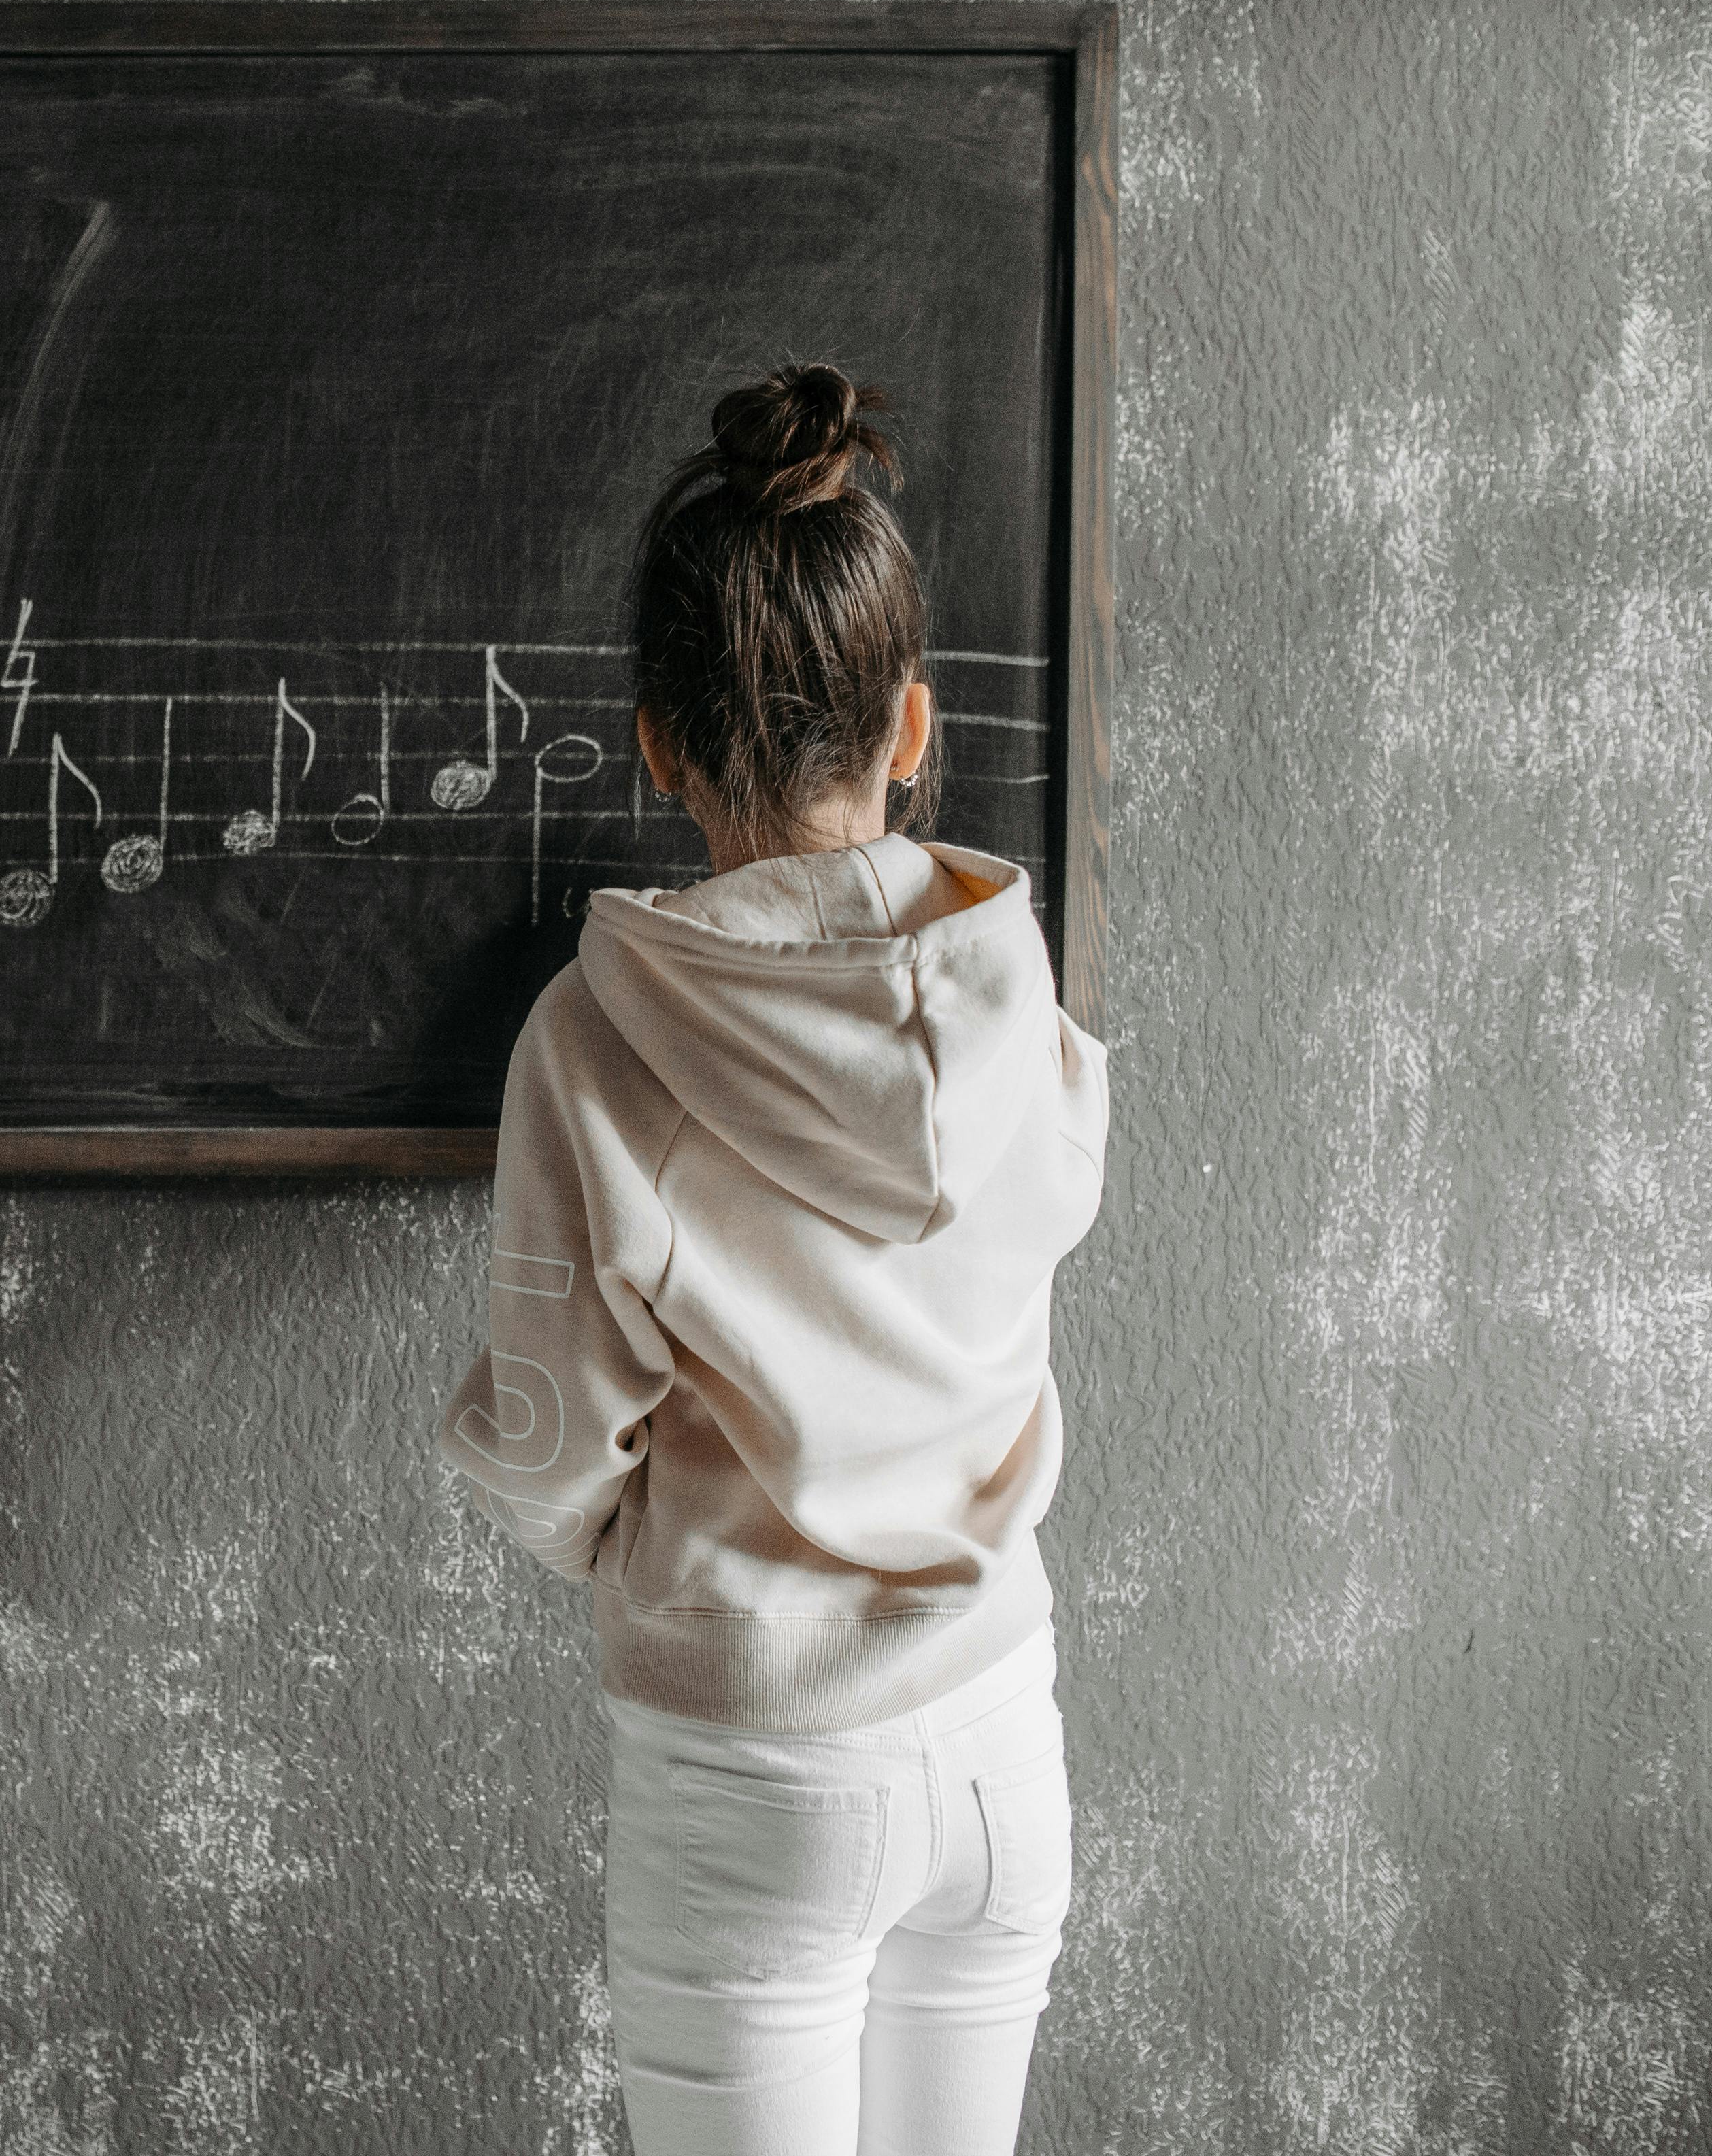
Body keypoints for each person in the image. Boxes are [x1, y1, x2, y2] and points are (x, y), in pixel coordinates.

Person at [438, 364, 1109, 2156]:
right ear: (911, 726)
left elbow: (549, 1445)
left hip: (759, 1770)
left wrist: (599, 1514)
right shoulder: (1018, 995)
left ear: (654, 743)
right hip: (997, 1737)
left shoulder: (597, 1043)